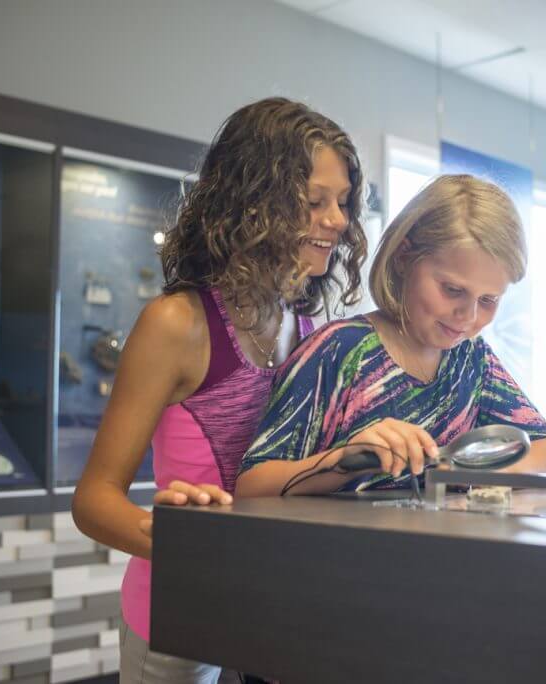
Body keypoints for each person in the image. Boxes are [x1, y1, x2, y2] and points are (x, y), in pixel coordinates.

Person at [71, 97, 368, 683]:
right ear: (252, 201)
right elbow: (94, 500)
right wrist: (191, 543)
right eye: (314, 202)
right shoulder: (176, 323)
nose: (337, 221)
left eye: (342, 202)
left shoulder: (310, 329)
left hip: (275, 615)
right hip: (179, 621)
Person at [235, 174, 546, 498]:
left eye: (488, 300)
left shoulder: (471, 359)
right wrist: (343, 461)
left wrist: (483, 474)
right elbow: (251, 485)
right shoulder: (339, 350)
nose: (468, 316)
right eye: (452, 290)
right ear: (404, 257)